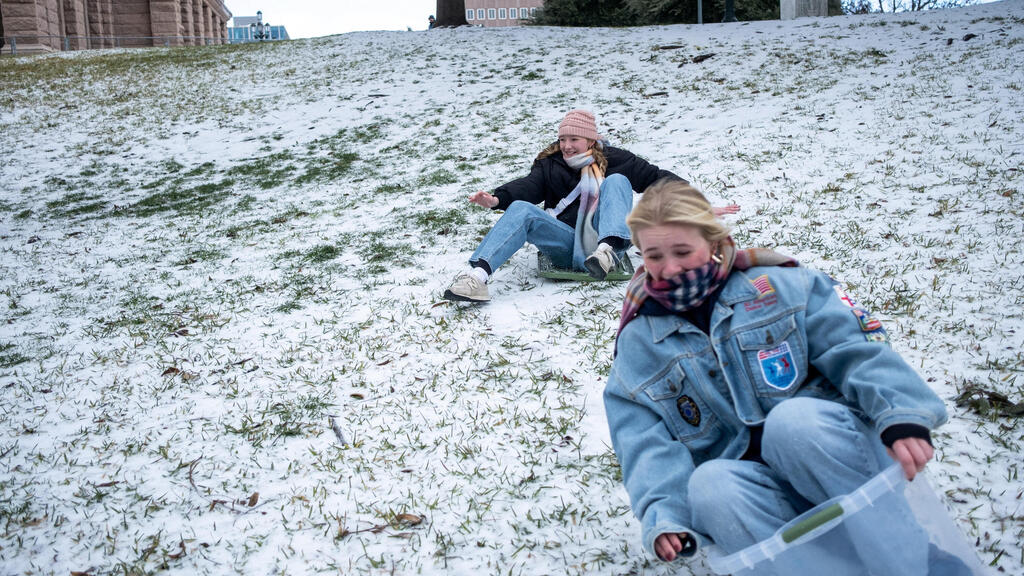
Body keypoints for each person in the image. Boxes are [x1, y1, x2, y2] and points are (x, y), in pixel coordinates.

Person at [604, 179, 961, 574]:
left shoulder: (781, 287)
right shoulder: (640, 342)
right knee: (710, 484)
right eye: (653, 256)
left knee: (791, 424)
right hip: (758, 494)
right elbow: (643, 442)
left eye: (683, 251)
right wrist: (664, 513)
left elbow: (855, 351)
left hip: (831, 460)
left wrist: (901, 412)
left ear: (714, 240)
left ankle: (914, 566)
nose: (669, 268)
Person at [443, 109, 739, 303]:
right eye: (562, 139)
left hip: (603, 241)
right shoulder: (550, 163)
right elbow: (529, 186)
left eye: (574, 139)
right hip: (564, 242)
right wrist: (497, 199)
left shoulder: (616, 159)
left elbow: (655, 179)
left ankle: (607, 250)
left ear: (591, 140)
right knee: (521, 207)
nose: (567, 145)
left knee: (618, 181)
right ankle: (477, 277)